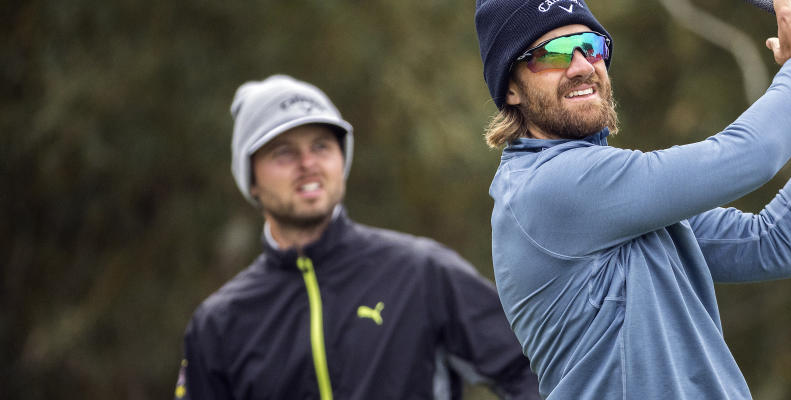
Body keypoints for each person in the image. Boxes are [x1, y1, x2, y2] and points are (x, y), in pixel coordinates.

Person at [473, 0, 791, 399]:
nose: (582, 66)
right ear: (510, 88)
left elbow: (777, 244)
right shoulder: (550, 187)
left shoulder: (616, 202)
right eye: (553, 54)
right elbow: (753, 154)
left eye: (591, 46)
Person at [174, 75, 540, 400]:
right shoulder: (218, 324)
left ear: (341, 159)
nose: (308, 163)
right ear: (251, 179)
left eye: (321, 146)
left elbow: (530, 371)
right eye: (283, 152)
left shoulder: (421, 272)